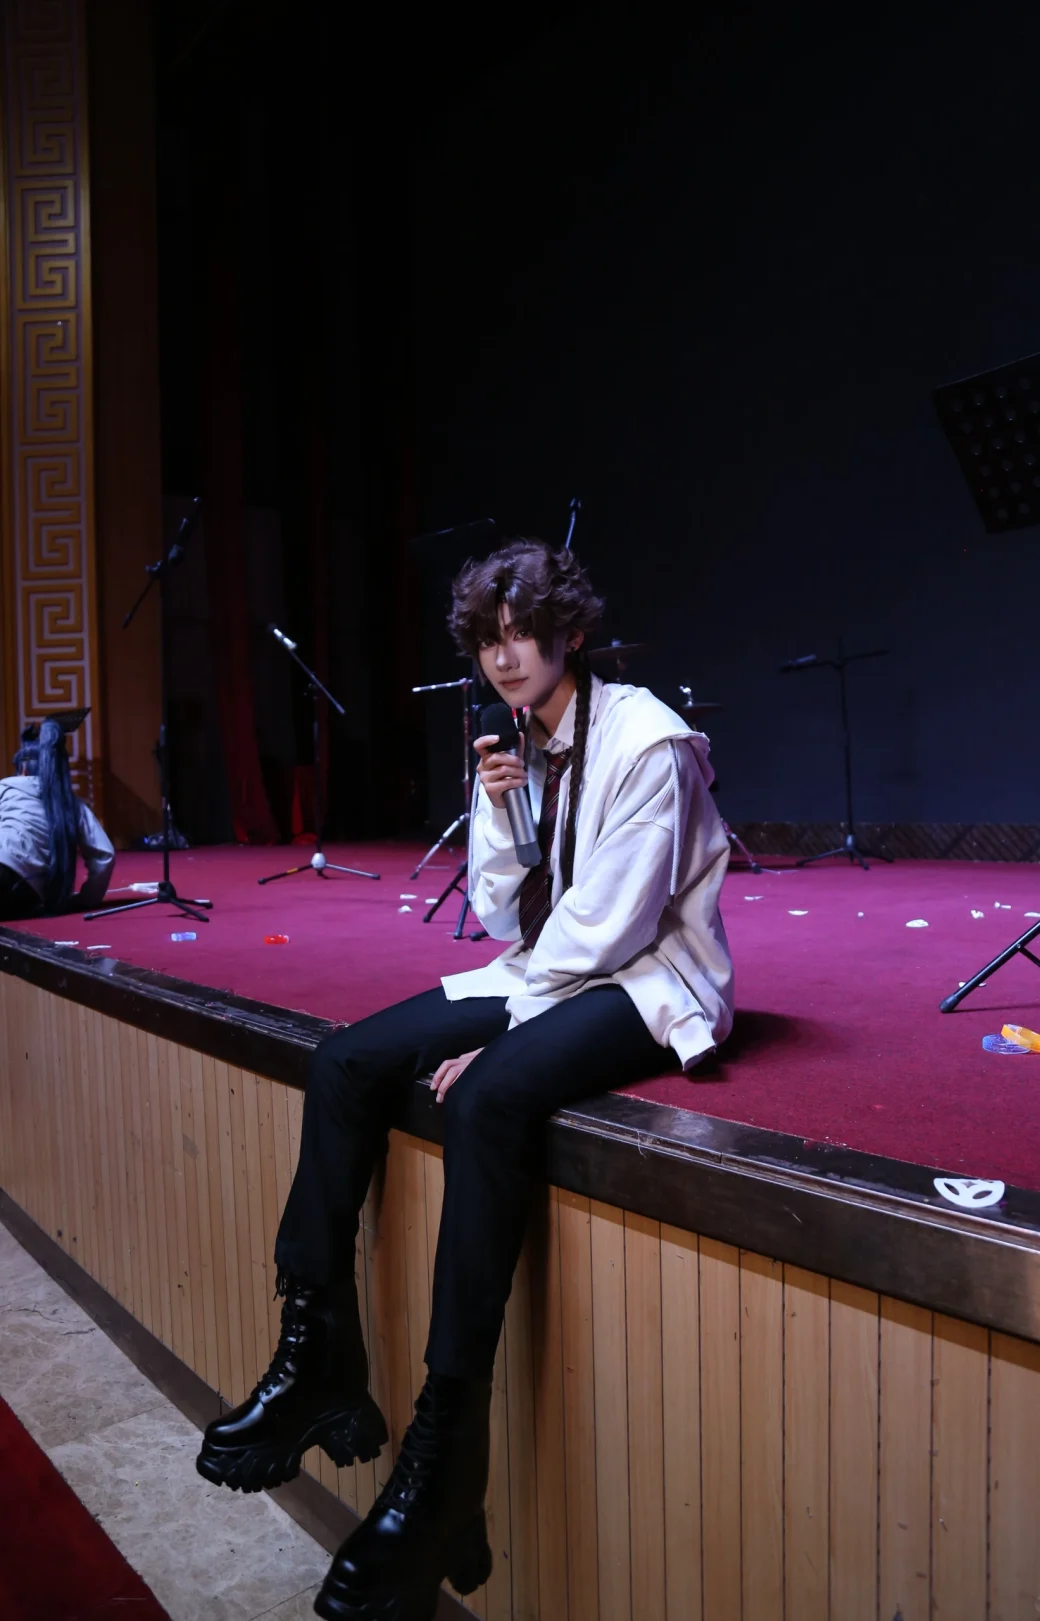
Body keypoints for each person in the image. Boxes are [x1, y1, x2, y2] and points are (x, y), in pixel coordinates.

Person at [196, 540, 734, 1621]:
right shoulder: (521, 742)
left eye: (522, 633)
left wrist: (508, 1036)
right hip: (550, 965)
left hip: (648, 979)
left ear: (568, 631)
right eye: (488, 640)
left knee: (486, 1096)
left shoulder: (650, 743)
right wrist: (497, 810)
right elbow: (502, 917)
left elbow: (610, 929)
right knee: (345, 1060)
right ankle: (317, 1348)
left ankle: (444, 1459)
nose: (504, 656)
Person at [0, 720, 115, 920]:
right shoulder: (72, 805)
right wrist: (86, 899)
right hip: (25, 896)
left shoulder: (4, 788)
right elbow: (104, 855)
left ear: (23, 770)